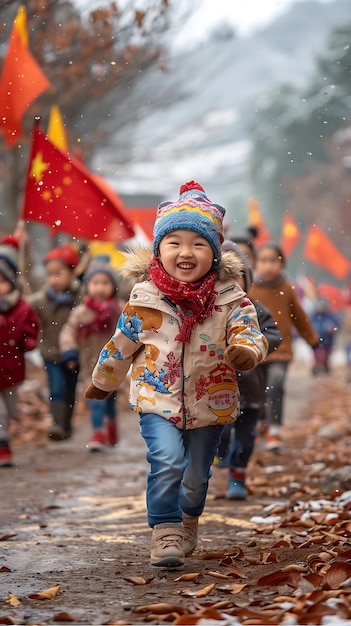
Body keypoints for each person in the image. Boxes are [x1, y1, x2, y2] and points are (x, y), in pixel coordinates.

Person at [85, 180, 268, 568]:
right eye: (175, 242)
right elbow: (123, 343)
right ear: (159, 251)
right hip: (157, 398)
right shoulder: (145, 297)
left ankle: (188, 518)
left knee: (197, 475)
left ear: (214, 254)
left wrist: (246, 350)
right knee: (166, 461)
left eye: (198, 244)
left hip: (210, 401)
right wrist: (104, 380)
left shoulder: (230, 298)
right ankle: (165, 529)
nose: (186, 252)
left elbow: (249, 331)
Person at [214, 240, 282, 499]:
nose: (230, 283)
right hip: (216, 388)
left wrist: (255, 347)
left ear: (247, 280)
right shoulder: (209, 310)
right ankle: (218, 456)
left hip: (251, 388)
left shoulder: (253, 307)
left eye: (237, 277)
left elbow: (273, 334)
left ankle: (237, 476)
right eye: (224, 277)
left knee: (245, 439)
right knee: (220, 433)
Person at [248, 242, 320, 452]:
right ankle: (261, 423)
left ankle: (275, 429)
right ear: (255, 263)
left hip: (281, 348)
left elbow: (299, 317)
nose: (268, 265)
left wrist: (312, 339)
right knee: (258, 390)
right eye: (263, 261)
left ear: (281, 263)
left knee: (275, 385)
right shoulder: (250, 288)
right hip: (255, 349)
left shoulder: (286, 289)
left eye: (273, 260)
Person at [60, 259, 122, 451]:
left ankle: (111, 423)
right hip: (90, 364)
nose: (100, 288)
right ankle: (97, 432)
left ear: (113, 287)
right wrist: (69, 350)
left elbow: (131, 329)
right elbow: (68, 331)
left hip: (113, 364)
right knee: (95, 399)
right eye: (96, 283)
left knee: (110, 400)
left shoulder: (119, 309)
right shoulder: (81, 312)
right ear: (88, 287)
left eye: (105, 283)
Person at [28, 243, 82, 441]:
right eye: (50, 274)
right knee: (56, 387)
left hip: (74, 354)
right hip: (50, 352)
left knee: (70, 389)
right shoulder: (41, 300)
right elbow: (24, 312)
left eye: (59, 273)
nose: (54, 279)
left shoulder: (80, 298)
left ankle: (66, 425)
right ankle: (57, 424)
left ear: (72, 273)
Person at [0, 236, 39, 467]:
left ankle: (7, 428)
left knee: (11, 408)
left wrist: (28, 339)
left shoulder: (23, 307)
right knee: (0, 412)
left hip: (13, 368)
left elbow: (32, 328)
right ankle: (3, 447)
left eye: (3, 280)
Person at [310, 297, 339, 375]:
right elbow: (308, 323)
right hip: (316, 339)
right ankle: (317, 367)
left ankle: (326, 366)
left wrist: (333, 327)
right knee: (317, 354)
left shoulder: (330, 315)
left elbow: (336, 322)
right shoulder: (314, 315)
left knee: (326, 354)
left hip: (328, 339)